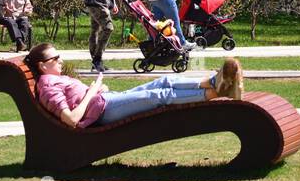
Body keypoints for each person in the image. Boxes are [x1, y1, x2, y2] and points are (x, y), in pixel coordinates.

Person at [25, 42, 243, 128]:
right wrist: (92, 91)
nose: (61, 60)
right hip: (103, 112)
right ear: (43, 66)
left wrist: (97, 90)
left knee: (165, 80)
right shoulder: (47, 87)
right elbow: (71, 119)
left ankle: (215, 82)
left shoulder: (54, 79)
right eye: (56, 59)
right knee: (160, 96)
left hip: (105, 101)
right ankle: (216, 92)